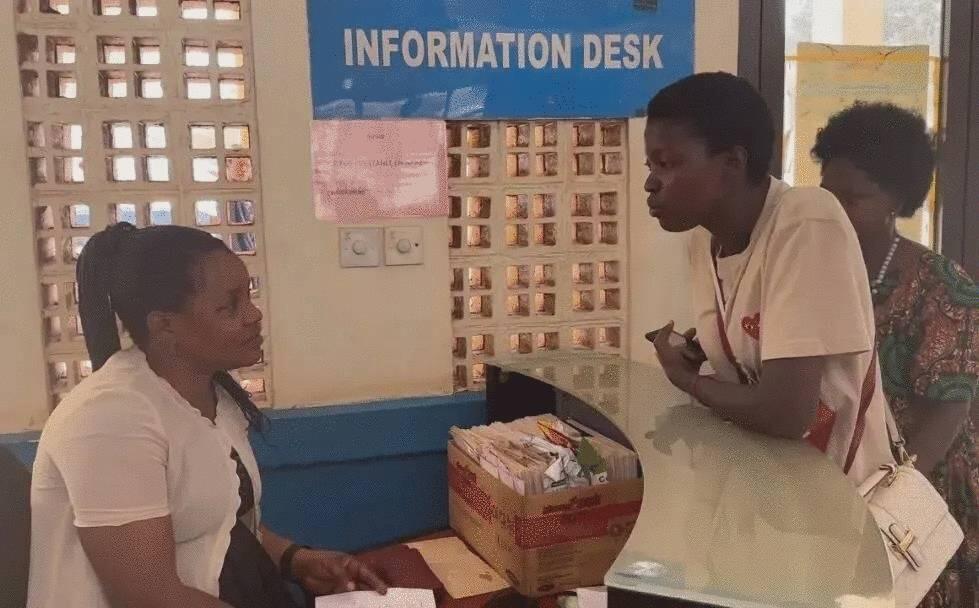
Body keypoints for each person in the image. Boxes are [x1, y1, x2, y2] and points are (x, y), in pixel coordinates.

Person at [27, 223, 387, 608]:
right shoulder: (109, 418)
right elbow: (148, 598)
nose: (254, 314)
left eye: (248, 296)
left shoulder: (212, 395)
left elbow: (217, 522)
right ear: (164, 324)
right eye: (229, 306)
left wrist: (295, 560)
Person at [646, 72, 892, 485]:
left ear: (732, 163)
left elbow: (785, 412)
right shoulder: (703, 244)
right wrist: (703, 352)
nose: (651, 183)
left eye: (667, 164)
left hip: (844, 506)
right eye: (650, 165)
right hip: (775, 495)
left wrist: (686, 378)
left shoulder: (806, 219)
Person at [814, 101, 978, 608]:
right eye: (827, 194)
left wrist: (888, 507)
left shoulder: (940, 286)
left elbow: (948, 411)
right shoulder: (810, 271)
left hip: (915, 493)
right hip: (834, 483)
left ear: (897, 201)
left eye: (853, 198)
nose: (834, 211)